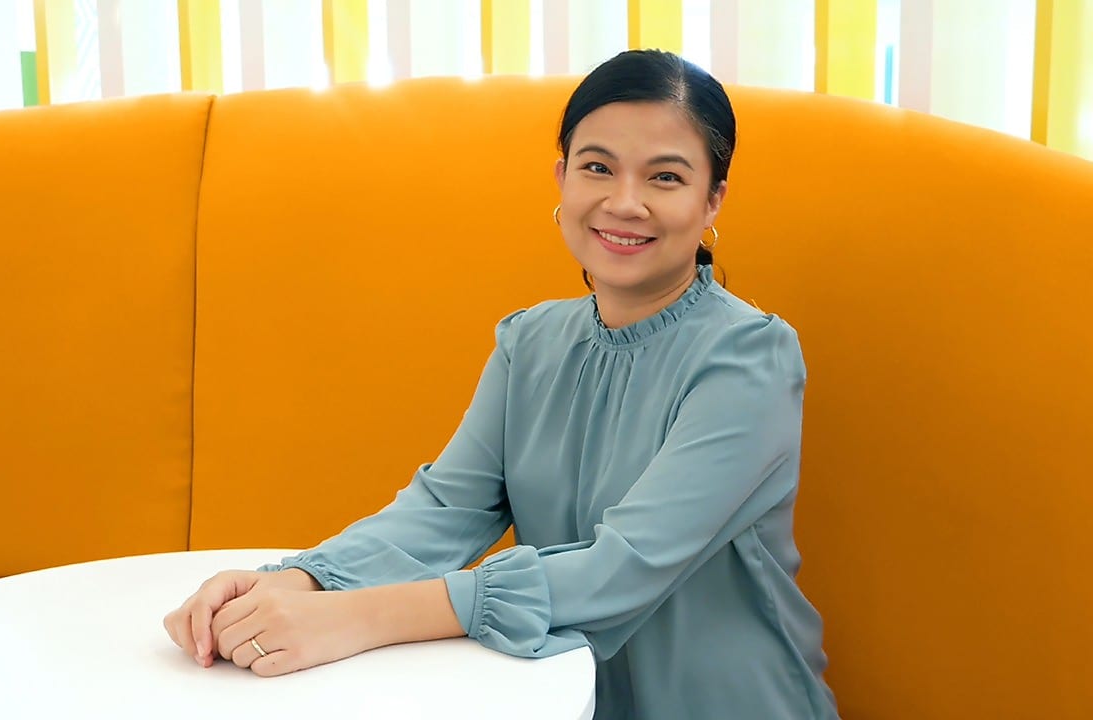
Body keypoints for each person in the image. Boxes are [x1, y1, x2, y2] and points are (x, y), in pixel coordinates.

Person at [164, 49, 838, 719]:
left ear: (712, 197)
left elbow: (624, 567)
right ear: (562, 179)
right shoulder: (530, 342)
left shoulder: (752, 358)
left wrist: (354, 617)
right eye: (597, 167)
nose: (624, 202)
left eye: (665, 177)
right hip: (559, 702)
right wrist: (294, 581)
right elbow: (445, 508)